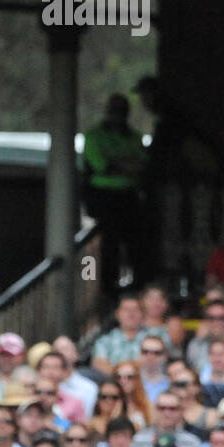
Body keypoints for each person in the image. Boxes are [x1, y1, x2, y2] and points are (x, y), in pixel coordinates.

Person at [83, 94, 150, 299]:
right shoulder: (94, 136)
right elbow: (102, 166)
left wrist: (120, 165)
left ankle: (137, 287)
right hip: (104, 198)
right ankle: (107, 291)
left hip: (129, 197)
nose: (118, 115)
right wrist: (124, 165)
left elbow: (143, 165)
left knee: (136, 243)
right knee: (108, 245)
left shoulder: (135, 136)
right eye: (115, 110)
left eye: (123, 110)